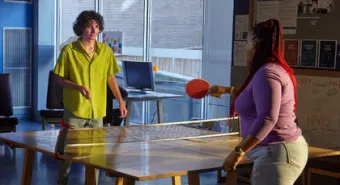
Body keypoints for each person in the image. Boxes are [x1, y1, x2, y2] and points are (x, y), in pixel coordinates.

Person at [209, 19, 308, 185]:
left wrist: (239, 150)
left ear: (255, 43)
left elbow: (267, 118)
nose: (245, 45)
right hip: (275, 151)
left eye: (247, 40)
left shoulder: (267, 73)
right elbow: (259, 97)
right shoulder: (271, 69)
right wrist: (228, 90)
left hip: (276, 152)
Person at [53, 10, 127, 185]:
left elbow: (111, 78)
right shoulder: (69, 51)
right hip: (75, 109)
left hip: (98, 110)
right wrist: (78, 87)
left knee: (95, 155)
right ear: (81, 29)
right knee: (67, 153)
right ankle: (62, 182)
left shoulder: (105, 52)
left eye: (97, 26)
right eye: (89, 26)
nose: (94, 30)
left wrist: (121, 102)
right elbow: (58, 79)